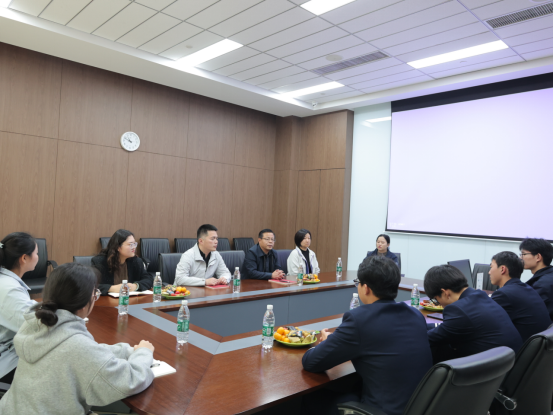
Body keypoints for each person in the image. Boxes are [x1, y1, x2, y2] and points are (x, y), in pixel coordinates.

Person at [0, 263, 155, 414]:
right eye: (95, 294)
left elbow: (87, 351)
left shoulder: (38, 323)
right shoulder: (77, 345)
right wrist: (144, 353)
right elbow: (130, 380)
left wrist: (126, 350)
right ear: (83, 304)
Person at [301, 256, 432, 415]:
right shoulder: (415, 315)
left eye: (358, 283)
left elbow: (311, 362)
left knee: (311, 399)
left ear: (366, 288)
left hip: (382, 411)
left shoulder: (359, 319)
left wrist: (325, 343)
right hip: (417, 408)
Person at [424, 265, 522, 364]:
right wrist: (423, 326)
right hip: (510, 361)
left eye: (436, 300)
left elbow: (429, 339)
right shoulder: (480, 295)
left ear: (445, 292)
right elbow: (446, 328)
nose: (439, 304)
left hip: (493, 368)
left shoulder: (458, 309)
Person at [0, 232, 38, 386]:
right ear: (24, 258)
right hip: (6, 361)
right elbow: (35, 325)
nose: (37, 257)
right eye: (36, 253)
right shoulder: (9, 289)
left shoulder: (6, 281)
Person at [489, 251, 551, 342]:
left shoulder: (504, 294)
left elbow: (485, 321)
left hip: (522, 348)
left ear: (502, 269)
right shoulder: (527, 288)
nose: (489, 272)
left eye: (491, 267)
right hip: (540, 347)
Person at [91, 229, 153, 296]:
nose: (134, 247)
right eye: (130, 244)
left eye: (134, 244)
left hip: (130, 300)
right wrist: (112, 288)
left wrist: (135, 286)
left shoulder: (136, 261)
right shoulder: (100, 262)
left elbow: (149, 279)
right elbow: (91, 285)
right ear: (118, 247)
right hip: (106, 300)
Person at [519, 238, 553, 320]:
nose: (520, 258)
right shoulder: (548, 275)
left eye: (523, 254)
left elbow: (527, 311)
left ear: (538, 257)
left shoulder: (542, 284)